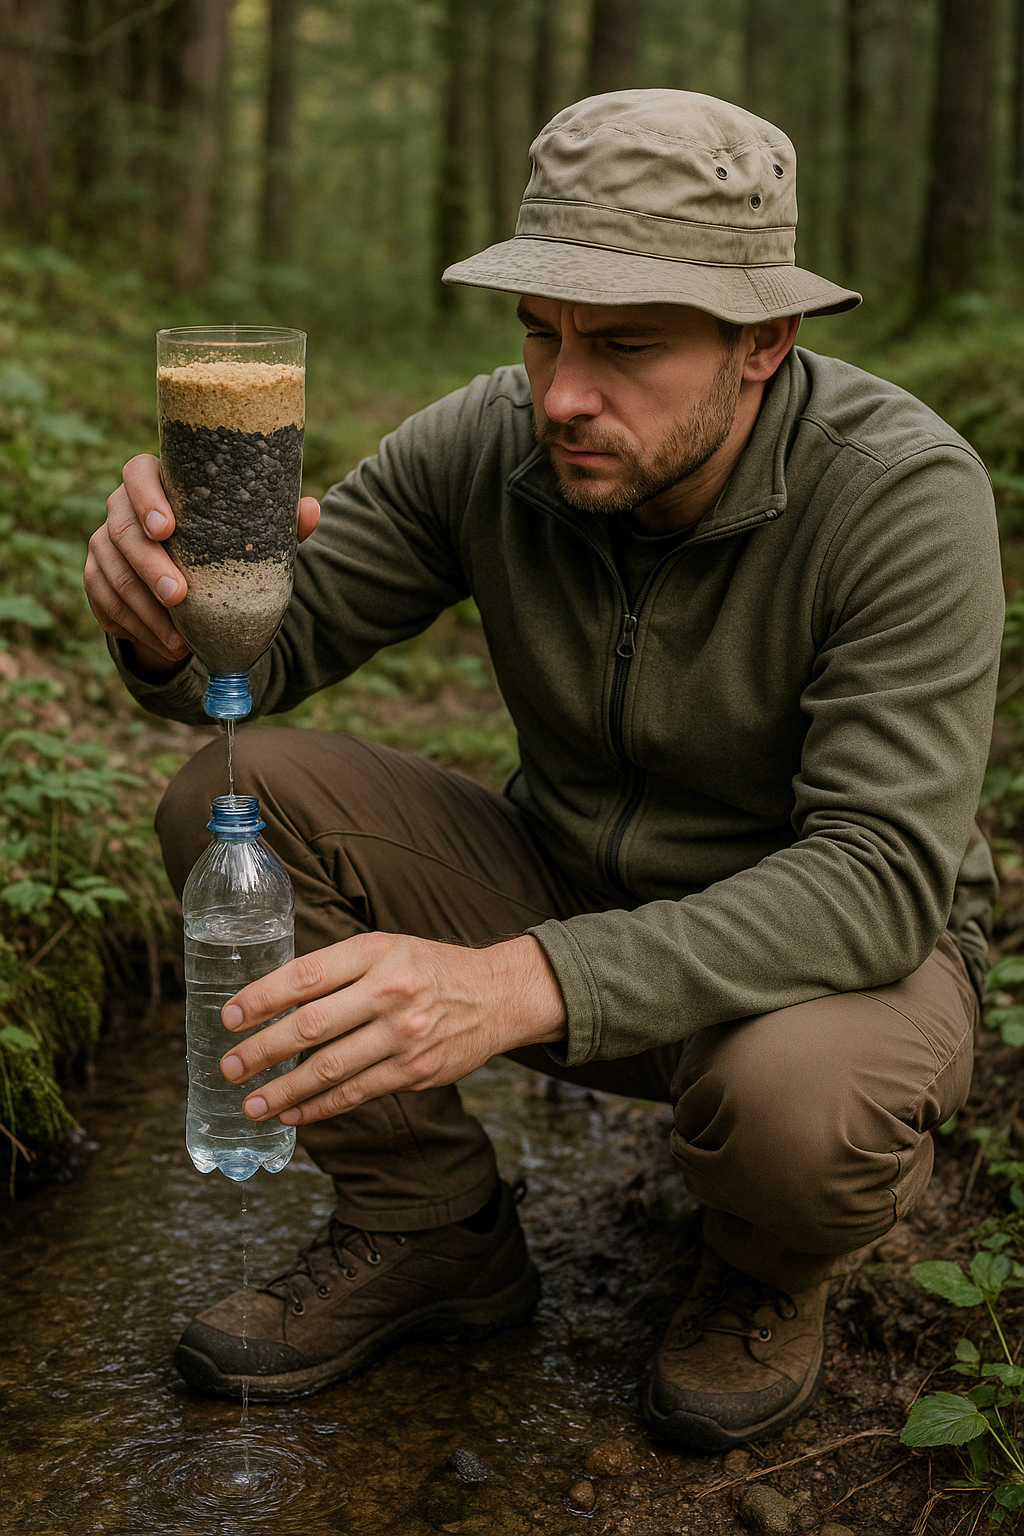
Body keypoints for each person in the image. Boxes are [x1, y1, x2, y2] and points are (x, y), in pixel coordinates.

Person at [84, 89, 1003, 1451]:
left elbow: (875, 884)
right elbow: (269, 653)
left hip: (823, 978)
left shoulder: (901, 497)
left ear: (765, 340)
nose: (564, 392)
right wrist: (164, 603)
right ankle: (430, 1227)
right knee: (239, 801)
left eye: (627, 345)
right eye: (542, 332)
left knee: (795, 1113)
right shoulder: (490, 443)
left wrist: (516, 981)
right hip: (564, 887)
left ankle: (762, 1268)